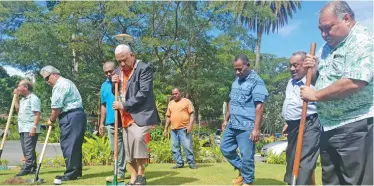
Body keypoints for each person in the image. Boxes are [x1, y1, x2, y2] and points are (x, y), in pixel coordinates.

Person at [300, 1, 373, 184]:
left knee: (355, 182)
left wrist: (315, 95)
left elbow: (354, 82)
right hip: (329, 126)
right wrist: (314, 70)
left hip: (355, 125)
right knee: (331, 182)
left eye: (327, 28)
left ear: (346, 19)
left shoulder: (363, 41)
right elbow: (325, 80)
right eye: (320, 30)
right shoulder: (327, 48)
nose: (324, 35)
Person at [112, 44, 160, 185]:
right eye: (119, 61)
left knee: (139, 140)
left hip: (141, 115)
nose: (122, 64)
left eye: (124, 60)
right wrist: (112, 81)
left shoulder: (143, 68)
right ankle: (133, 179)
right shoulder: (119, 71)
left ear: (132, 56)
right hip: (124, 117)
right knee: (129, 149)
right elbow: (115, 90)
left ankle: (141, 176)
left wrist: (124, 105)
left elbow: (144, 92)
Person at [220, 54, 269, 185]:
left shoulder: (256, 81)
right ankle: (243, 169)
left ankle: (248, 181)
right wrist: (226, 120)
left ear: (248, 65)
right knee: (225, 148)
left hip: (247, 126)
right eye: (235, 69)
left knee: (247, 156)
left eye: (240, 69)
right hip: (233, 124)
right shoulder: (236, 80)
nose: (237, 72)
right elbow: (232, 101)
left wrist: (256, 128)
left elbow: (259, 105)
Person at [40, 65, 87, 181]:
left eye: (47, 78)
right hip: (76, 115)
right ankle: (75, 172)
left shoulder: (59, 85)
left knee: (69, 145)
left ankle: (71, 173)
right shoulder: (67, 82)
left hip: (70, 116)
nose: (47, 82)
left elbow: (56, 108)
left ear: (55, 74)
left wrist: (51, 120)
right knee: (74, 145)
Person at [281, 51, 320, 185]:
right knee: (291, 158)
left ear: (305, 64)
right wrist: (288, 121)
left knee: (304, 159)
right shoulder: (290, 82)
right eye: (290, 65)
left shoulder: (313, 80)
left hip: (310, 123)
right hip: (293, 125)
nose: (292, 69)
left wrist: (314, 68)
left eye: (296, 65)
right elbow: (292, 104)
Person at [99, 61, 126, 182]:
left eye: (111, 71)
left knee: (128, 148)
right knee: (115, 149)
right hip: (111, 121)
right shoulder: (104, 86)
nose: (109, 74)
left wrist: (118, 83)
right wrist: (101, 123)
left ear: (117, 69)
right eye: (106, 72)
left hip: (125, 120)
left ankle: (125, 172)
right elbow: (103, 105)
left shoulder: (124, 81)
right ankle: (118, 172)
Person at [163, 88, 197, 169]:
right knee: (175, 147)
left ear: (180, 93)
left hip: (184, 128)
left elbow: (192, 114)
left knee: (187, 146)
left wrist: (190, 126)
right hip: (173, 129)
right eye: (173, 94)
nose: (174, 95)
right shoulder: (171, 103)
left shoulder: (187, 101)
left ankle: (191, 163)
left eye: (176, 93)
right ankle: (179, 163)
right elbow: (168, 116)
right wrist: (165, 129)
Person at [13, 80, 41, 176]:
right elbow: (17, 109)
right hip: (22, 128)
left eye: (19, 86)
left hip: (30, 127)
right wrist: (16, 97)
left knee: (28, 149)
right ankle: (32, 167)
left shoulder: (33, 98)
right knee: (27, 149)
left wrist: (34, 127)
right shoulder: (23, 99)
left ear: (26, 87)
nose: (17, 88)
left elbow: (37, 113)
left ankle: (27, 167)